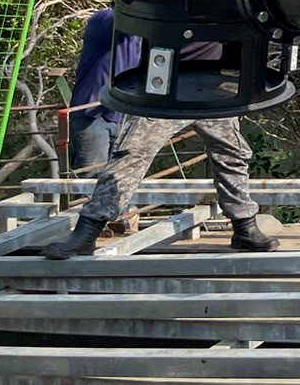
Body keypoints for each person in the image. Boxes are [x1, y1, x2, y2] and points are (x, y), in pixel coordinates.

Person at [44, 27, 279, 258]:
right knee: (131, 153)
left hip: (214, 88)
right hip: (166, 87)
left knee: (232, 153)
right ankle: (88, 230)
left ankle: (244, 226)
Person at [65, 9, 140, 171]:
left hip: (121, 117)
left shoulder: (139, 39)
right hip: (92, 116)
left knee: (117, 180)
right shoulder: (104, 19)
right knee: (91, 182)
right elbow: (124, 19)